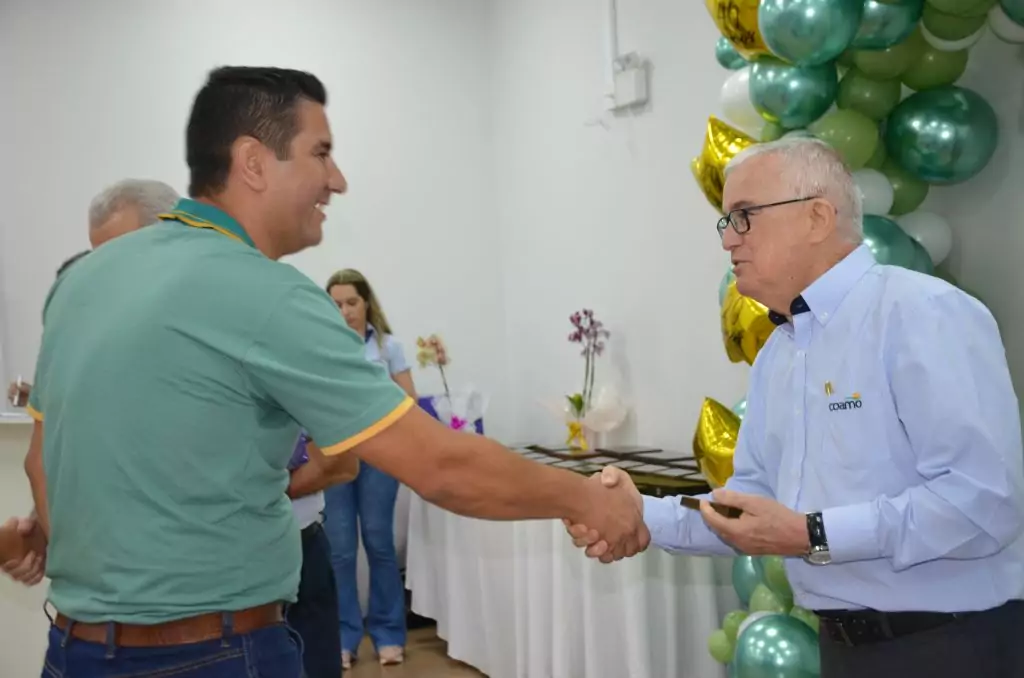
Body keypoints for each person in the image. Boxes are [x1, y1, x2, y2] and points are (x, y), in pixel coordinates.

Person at [17, 66, 646, 677]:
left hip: (72, 647)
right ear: (254, 161)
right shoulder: (265, 292)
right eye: (320, 152)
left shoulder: (79, 283)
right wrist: (586, 496)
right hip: (209, 653)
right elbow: (440, 465)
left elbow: (39, 464)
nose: (337, 179)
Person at [566, 137, 1024, 678]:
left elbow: (983, 502)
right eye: (726, 221)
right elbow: (751, 508)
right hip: (842, 648)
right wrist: (639, 511)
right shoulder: (779, 354)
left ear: (817, 216)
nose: (728, 241)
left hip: (950, 645)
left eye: (744, 216)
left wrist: (814, 535)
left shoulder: (922, 313)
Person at [3, 180, 180, 581]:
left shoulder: (224, 321)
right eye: (96, 259)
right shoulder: (89, 339)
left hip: (219, 604)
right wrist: (44, 536)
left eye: (120, 256)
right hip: (106, 604)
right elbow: (62, 458)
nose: (103, 275)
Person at [322, 268, 416, 668]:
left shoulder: (389, 347)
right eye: (336, 303)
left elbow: (408, 399)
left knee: (379, 543)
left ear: (366, 303)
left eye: (351, 302)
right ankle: (343, 637)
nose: (344, 311)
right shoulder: (319, 347)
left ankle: (389, 634)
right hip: (335, 457)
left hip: (380, 458)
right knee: (340, 552)